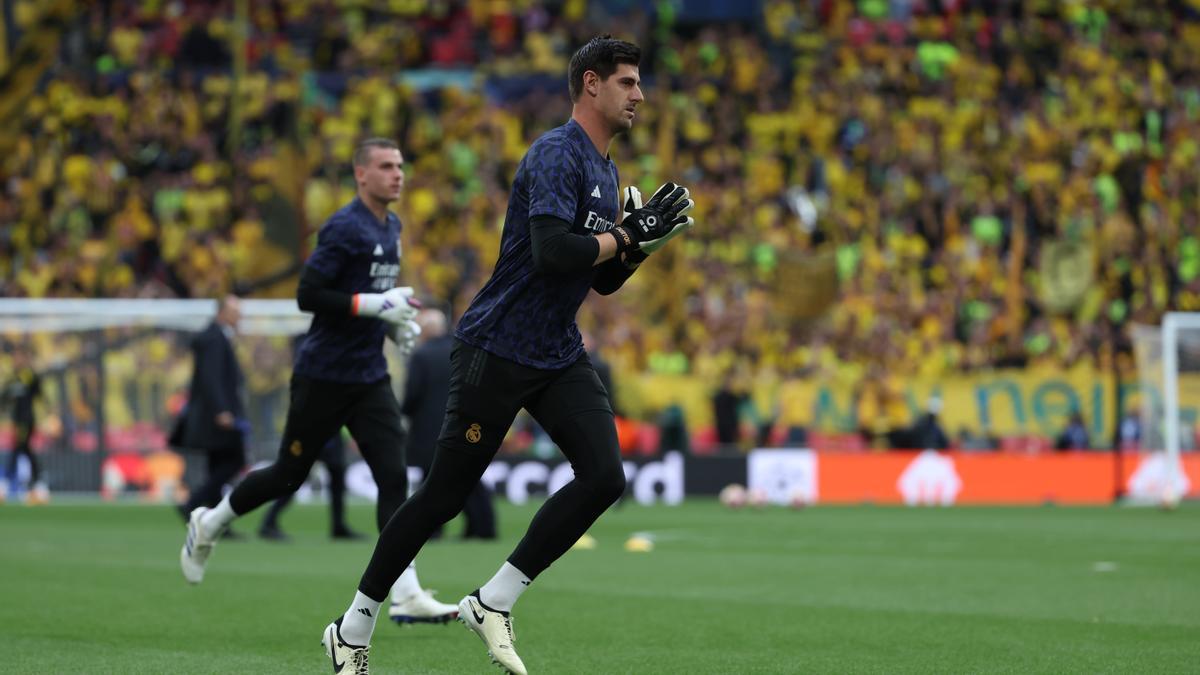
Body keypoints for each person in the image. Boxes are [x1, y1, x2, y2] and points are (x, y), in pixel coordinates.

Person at [321, 36, 695, 675]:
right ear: (590, 85)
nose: (640, 94)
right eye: (628, 82)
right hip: (497, 346)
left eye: (638, 82)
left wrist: (638, 248)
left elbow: (598, 279)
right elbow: (553, 254)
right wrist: (627, 234)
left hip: (555, 351)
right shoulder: (556, 153)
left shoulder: (605, 170)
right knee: (442, 497)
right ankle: (352, 624)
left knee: (605, 477)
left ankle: (492, 601)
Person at [179, 138, 457, 625]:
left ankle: (407, 590)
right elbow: (309, 295)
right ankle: (211, 520)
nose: (398, 175)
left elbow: (371, 293)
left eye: (400, 166)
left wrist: (392, 321)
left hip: (369, 376)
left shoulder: (392, 225)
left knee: (393, 478)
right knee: (289, 474)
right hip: (324, 376)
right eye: (386, 166)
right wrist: (372, 307)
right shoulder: (343, 226)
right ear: (361, 175)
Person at [401, 306, 496, 546]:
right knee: (468, 476)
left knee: (431, 482)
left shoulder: (421, 355)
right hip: (464, 421)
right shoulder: (462, 349)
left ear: (425, 331)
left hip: (428, 429)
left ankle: (432, 530)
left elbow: (412, 395)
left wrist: (403, 413)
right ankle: (482, 526)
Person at [170, 295, 248, 528]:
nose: (239, 317)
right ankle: (193, 503)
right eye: (235, 312)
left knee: (218, 464)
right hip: (216, 416)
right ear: (221, 313)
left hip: (211, 414)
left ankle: (217, 523)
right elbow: (212, 378)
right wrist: (222, 410)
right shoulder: (215, 339)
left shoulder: (216, 337)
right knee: (235, 460)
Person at [257, 431, 363, 542]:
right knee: (295, 480)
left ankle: (338, 525)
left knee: (337, 478)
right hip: (314, 433)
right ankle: (268, 522)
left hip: (330, 435)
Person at [2, 346, 46, 504]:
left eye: (19, 357)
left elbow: (39, 392)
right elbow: (4, 397)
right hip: (17, 421)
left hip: (26, 420)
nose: (16, 360)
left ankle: (4, 486)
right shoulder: (13, 378)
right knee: (26, 450)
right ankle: (39, 488)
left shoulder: (29, 376)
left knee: (18, 450)